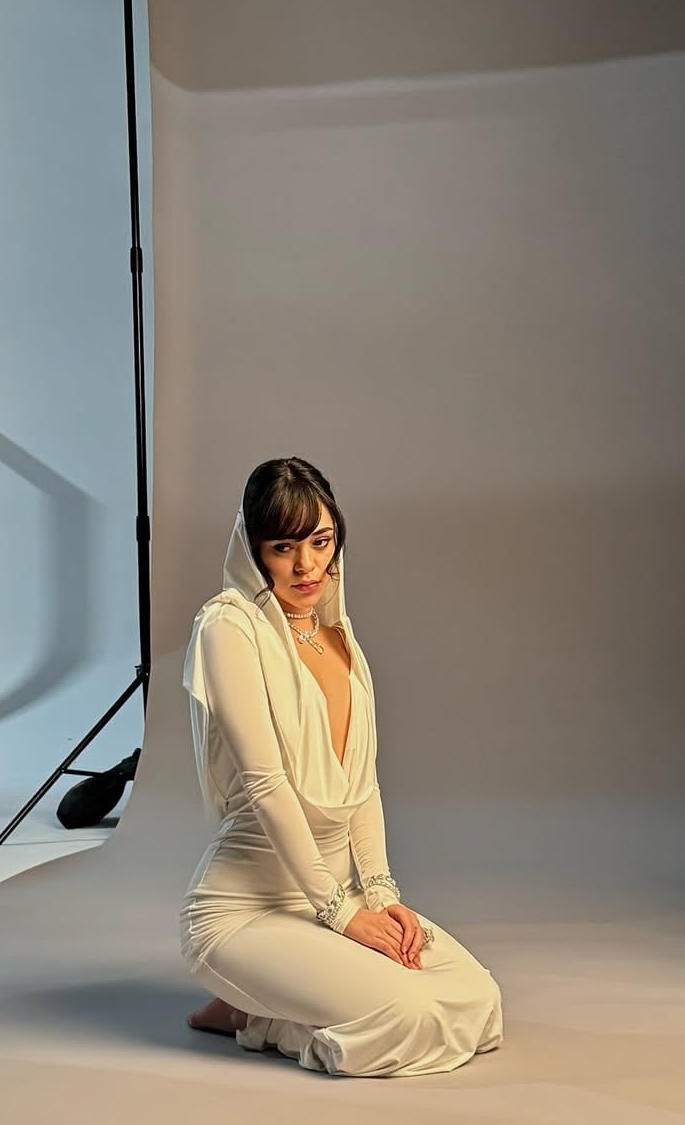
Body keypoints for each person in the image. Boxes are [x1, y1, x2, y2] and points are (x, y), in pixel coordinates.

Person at [178, 457, 504, 1076]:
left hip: (337, 899)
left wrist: (379, 896)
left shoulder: (338, 636)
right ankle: (257, 1014)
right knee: (411, 1018)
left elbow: (363, 786)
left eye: (320, 542)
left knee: (478, 1003)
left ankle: (255, 1007)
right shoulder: (228, 626)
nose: (306, 566)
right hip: (243, 911)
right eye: (283, 548)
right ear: (255, 551)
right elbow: (266, 784)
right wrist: (342, 915)